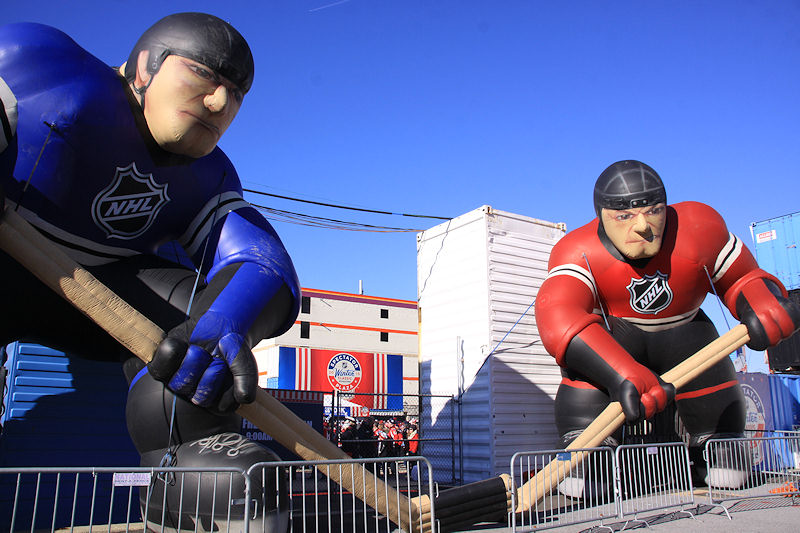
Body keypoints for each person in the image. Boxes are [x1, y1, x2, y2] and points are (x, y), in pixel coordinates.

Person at [0, 13, 300, 531]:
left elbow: (263, 262)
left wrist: (224, 322)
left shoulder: (210, 174)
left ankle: (184, 467)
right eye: (203, 74)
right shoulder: (40, 63)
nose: (220, 103)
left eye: (236, 94)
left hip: (99, 291)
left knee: (198, 320)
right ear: (144, 67)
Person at [535, 160, 800, 493]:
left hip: (686, 334)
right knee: (586, 370)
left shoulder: (699, 227)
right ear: (601, 215)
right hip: (617, 340)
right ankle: (588, 446)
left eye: (653, 211)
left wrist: (762, 302)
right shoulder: (578, 250)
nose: (643, 227)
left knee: (715, 400)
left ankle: (717, 442)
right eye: (624, 216)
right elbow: (558, 316)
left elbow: (741, 277)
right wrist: (619, 373)